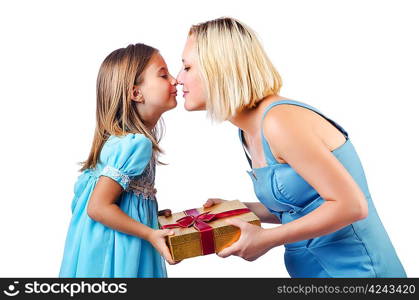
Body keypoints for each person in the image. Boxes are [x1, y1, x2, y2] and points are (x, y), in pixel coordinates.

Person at [176, 17, 406, 277]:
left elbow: (352, 206)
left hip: (358, 272)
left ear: (217, 69)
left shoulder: (279, 121)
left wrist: (266, 239)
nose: (177, 79)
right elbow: (302, 209)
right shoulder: (247, 130)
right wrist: (240, 210)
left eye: (186, 67)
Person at [59, 43, 177, 278]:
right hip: (116, 252)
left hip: (96, 248)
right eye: (164, 75)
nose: (174, 80)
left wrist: (149, 214)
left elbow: (118, 201)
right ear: (136, 93)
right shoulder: (136, 144)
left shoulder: (119, 140)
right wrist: (149, 233)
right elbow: (98, 207)